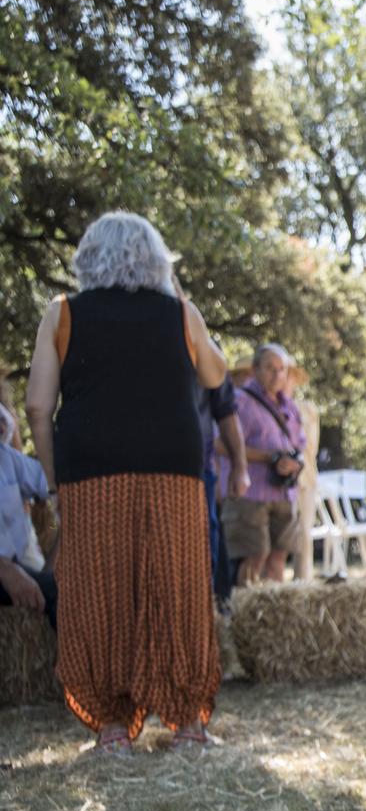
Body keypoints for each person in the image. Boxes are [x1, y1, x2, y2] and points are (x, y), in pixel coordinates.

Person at [21, 211, 226, 749]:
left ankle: (112, 726)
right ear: (158, 260)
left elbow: (38, 405)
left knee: (97, 588)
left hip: (91, 466)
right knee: (176, 582)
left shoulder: (62, 313)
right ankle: (187, 724)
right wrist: (178, 296)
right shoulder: (181, 313)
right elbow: (215, 373)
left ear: (88, 259)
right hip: (171, 463)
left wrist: (54, 480)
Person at [223, 345, 305, 585]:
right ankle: (246, 612)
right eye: (270, 368)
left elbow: (299, 444)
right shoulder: (240, 401)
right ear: (256, 369)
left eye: (281, 369)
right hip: (251, 493)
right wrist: (270, 458)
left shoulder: (289, 405)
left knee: (279, 556)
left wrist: (292, 463)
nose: (277, 375)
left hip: (284, 493)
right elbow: (221, 444)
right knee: (254, 557)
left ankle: (275, 614)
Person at [0, 402, 55, 627]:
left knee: (69, 590)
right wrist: (4, 570)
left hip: (18, 564)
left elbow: (54, 484)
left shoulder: (8, 459)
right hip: (7, 569)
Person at [198, 373, 248, 604]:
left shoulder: (206, 349)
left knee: (206, 549)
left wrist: (240, 467)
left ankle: (213, 610)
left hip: (198, 472)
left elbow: (225, 412)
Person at [284, 360, 323, 581]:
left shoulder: (308, 409)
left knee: (304, 532)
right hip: (278, 479)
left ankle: (303, 579)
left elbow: (311, 447)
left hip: (306, 477)